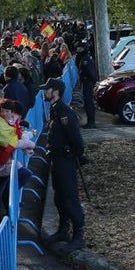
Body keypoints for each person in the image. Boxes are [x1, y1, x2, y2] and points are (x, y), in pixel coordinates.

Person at [41, 78, 86, 253]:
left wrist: (74, 155)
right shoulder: (55, 111)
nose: (44, 92)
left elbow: (77, 141)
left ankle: (78, 236)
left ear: (55, 92)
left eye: (47, 89)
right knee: (59, 198)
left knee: (70, 197)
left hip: (66, 161)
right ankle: (63, 230)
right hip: (57, 160)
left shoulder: (65, 113)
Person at [0, 98, 35, 226]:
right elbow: (10, 141)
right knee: (1, 190)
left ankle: (2, 212)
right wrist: (28, 144)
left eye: (7, 111)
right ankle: (1, 215)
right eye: (3, 110)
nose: (5, 113)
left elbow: (14, 137)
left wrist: (25, 147)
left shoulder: (7, 121)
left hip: (3, 161)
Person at [76, 44, 98, 128]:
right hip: (86, 83)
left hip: (88, 83)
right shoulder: (83, 57)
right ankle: (90, 121)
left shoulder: (86, 59)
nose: (78, 49)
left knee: (89, 103)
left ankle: (91, 122)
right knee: (87, 103)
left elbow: (90, 72)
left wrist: (92, 82)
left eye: (79, 48)